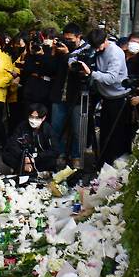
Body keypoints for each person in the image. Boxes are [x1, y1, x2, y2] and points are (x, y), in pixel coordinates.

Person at [77, 29, 131, 165]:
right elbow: (75, 55)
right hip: (105, 96)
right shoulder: (94, 47)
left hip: (118, 96)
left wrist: (91, 73)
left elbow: (111, 78)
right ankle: (102, 162)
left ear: (106, 39)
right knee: (104, 132)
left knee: (114, 134)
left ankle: (112, 163)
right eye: (95, 47)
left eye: (100, 45)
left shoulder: (115, 53)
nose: (98, 49)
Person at [49, 23, 86, 169]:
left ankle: (76, 156)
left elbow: (78, 71)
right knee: (56, 128)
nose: (68, 42)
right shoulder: (60, 50)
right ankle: (60, 154)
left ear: (79, 37)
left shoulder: (85, 50)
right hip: (59, 95)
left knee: (77, 130)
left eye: (70, 39)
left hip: (76, 97)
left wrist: (67, 55)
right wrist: (53, 52)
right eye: (66, 39)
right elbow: (51, 69)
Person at [2, 103, 59, 174]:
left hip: (38, 159)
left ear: (43, 118)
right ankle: (24, 168)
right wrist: (24, 158)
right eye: (31, 117)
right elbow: (12, 143)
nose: (33, 120)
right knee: (6, 155)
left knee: (51, 161)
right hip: (23, 157)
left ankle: (25, 169)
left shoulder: (48, 129)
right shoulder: (22, 126)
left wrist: (36, 158)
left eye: (37, 118)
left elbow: (55, 150)